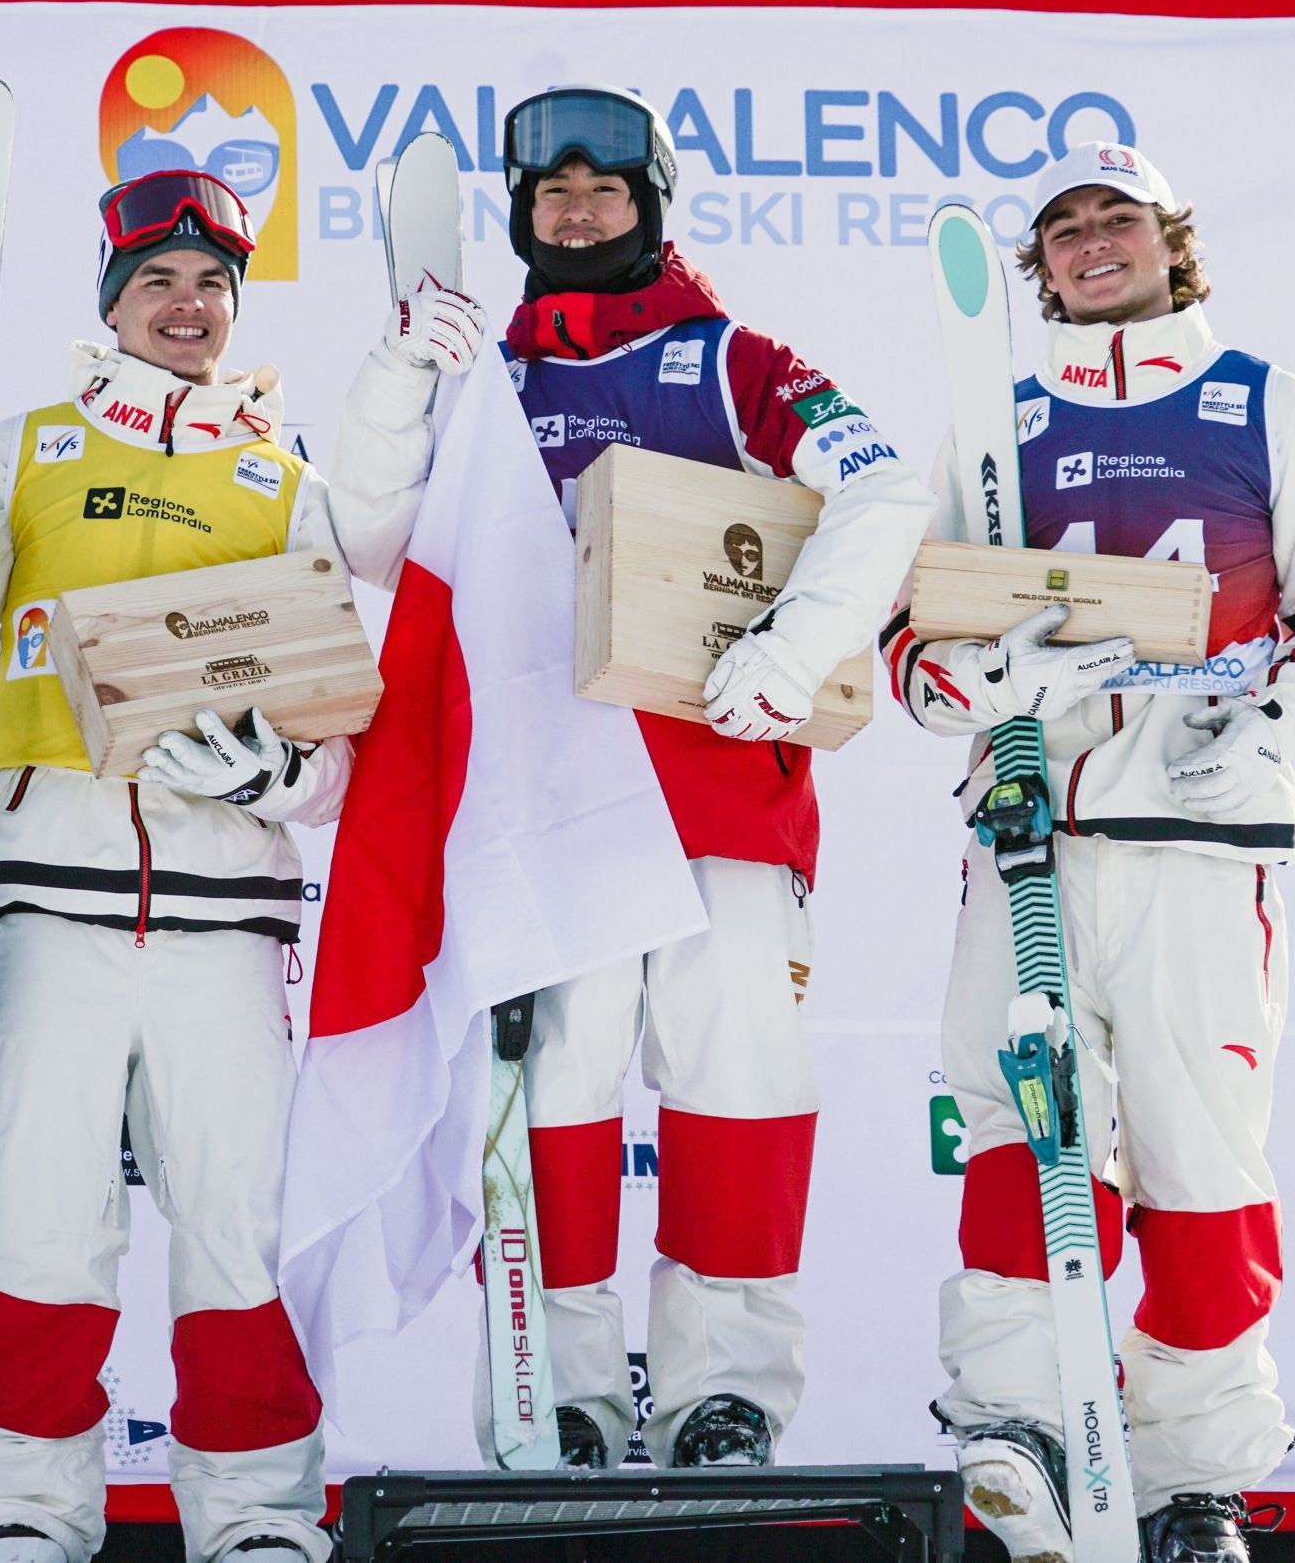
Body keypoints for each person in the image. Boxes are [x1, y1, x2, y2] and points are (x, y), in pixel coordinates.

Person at [330, 86, 934, 1471]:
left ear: (650, 207)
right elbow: (368, 541)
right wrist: (394, 385)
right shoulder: (488, 385)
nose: (579, 210)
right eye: (553, 195)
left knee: (739, 1090)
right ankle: (566, 1395)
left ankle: (728, 1390)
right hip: (541, 818)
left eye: (606, 190)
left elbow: (886, 489)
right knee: (558, 1102)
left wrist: (797, 647)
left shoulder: (735, 362)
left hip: (721, 795)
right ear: (526, 220)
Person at [884, 142, 1295, 1563]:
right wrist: (981, 689)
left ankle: (1193, 1473)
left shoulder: (1263, 402)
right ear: (1039, 267)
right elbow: (917, 635)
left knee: (1201, 1164)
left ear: (1173, 242)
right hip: (1032, 834)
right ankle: (1020, 1415)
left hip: (1203, 845)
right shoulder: (1001, 420)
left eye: (1119, 218)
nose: (1092, 243)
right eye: (1063, 228)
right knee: (1017, 1133)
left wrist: (1272, 725)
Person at [0, 170, 348, 1563]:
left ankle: (258, 1515)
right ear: (114, 303)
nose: (189, 305)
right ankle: (23, 1506)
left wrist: (273, 777)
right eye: (159, 282)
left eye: (212, 283)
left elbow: (339, 735)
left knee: (240, 1230)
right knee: (33, 1225)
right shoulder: (20, 449)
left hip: (224, 917)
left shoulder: (288, 476)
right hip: (42, 896)